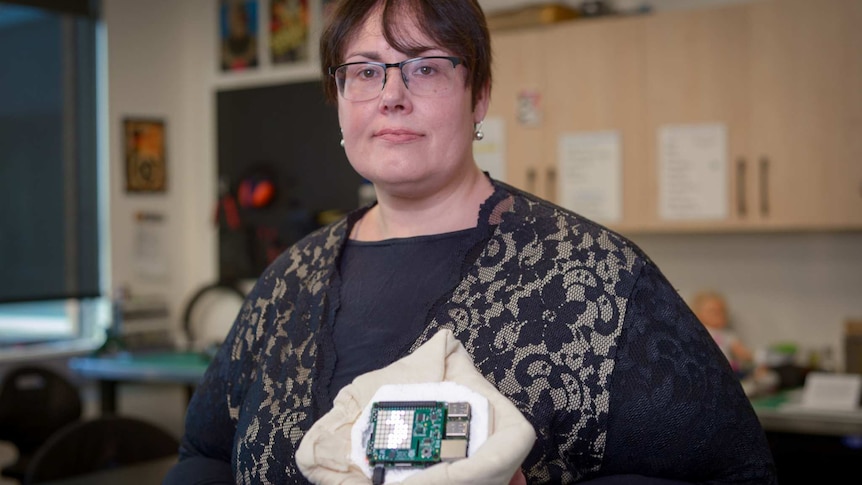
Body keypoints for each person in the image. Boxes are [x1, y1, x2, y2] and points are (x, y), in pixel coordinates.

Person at [164, 1, 777, 483]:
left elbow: (731, 475)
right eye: (365, 71)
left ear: (478, 95)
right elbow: (206, 456)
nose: (391, 95)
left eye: (426, 67)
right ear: (340, 103)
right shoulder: (287, 284)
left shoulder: (590, 276)